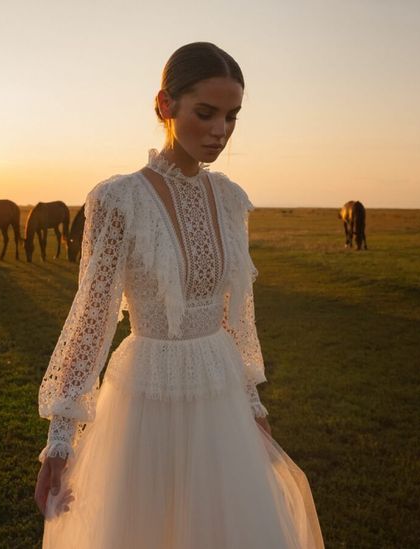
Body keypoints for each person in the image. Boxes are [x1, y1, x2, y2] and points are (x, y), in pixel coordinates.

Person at [34, 42, 324, 549]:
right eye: (206, 113)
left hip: (219, 389)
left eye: (232, 117)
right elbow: (92, 317)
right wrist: (60, 440)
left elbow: (237, 317)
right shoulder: (118, 199)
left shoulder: (231, 199)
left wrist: (254, 409)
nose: (221, 131)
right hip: (146, 394)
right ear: (166, 106)